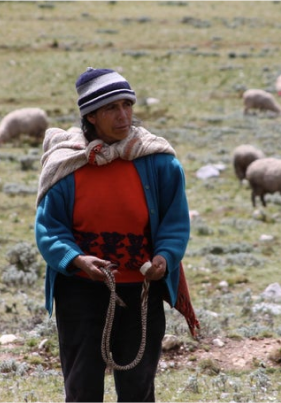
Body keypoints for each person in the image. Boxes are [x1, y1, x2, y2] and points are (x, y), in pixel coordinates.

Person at [35, 67, 192, 403]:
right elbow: (49, 228)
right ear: (90, 116)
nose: (123, 115)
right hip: (80, 290)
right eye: (111, 108)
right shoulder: (67, 165)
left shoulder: (158, 162)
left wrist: (165, 256)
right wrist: (76, 259)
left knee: (138, 389)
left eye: (127, 105)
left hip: (142, 291)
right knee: (82, 389)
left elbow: (174, 223)